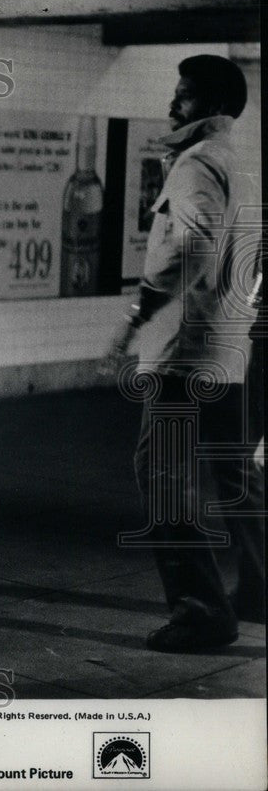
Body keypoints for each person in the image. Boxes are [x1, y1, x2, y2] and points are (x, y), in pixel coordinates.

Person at [102, 55, 265, 652]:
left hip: (184, 353)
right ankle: (260, 592)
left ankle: (202, 613)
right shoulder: (241, 163)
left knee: (162, 476)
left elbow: (191, 248)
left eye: (186, 95)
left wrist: (136, 313)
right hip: (227, 349)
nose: (173, 105)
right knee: (234, 472)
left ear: (216, 107)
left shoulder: (195, 164)